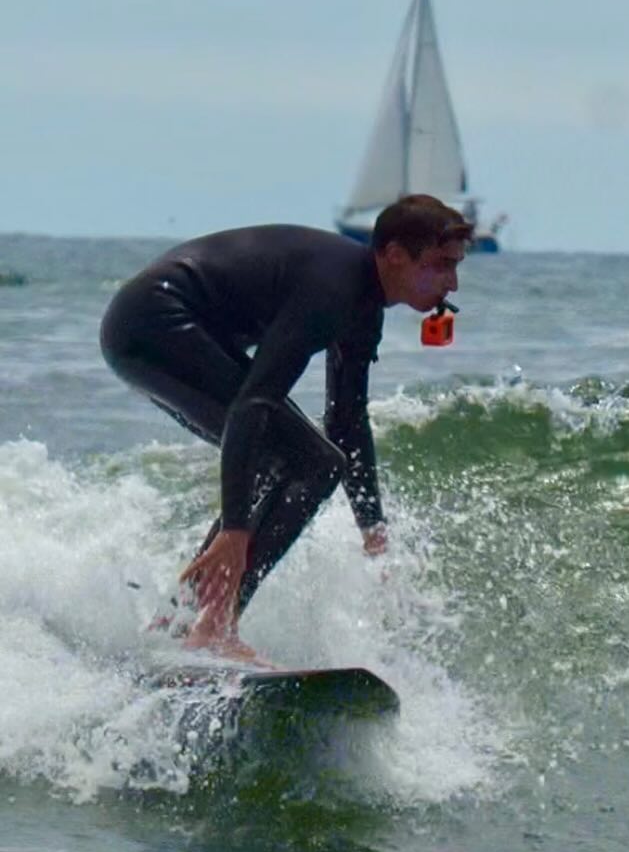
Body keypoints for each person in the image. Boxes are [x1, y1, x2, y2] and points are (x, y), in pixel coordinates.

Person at [100, 194, 470, 659]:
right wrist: (235, 529)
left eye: (456, 267)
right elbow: (253, 404)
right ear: (395, 254)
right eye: (441, 265)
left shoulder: (362, 308)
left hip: (153, 329)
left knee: (296, 457)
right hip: (154, 321)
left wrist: (372, 526)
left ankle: (180, 624)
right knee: (310, 462)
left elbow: (347, 420)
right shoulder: (332, 290)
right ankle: (213, 625)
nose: (453, 283)